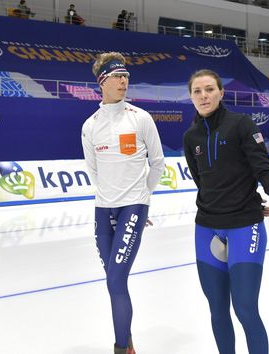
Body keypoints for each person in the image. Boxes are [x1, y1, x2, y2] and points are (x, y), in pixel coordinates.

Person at [183, 69, 269, 354]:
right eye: (197, 91)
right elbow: (203, 181)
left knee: (244, 308)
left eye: (209, 89)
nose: (203, 96)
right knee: (217, 310)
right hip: (207, 228)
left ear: (220, 92)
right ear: (191, 96)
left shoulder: (241, 124)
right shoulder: (190, 136)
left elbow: (261, 164)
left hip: (244, 227)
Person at [81, 52, 165, 354]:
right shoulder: (89, 126)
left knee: (116, 278)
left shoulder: (140, 118)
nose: (124, 81)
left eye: (126, 76)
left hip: (133, 207)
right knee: (113, 282)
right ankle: (128, 344)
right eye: (118, 76)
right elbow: (95, 171)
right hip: (103, 211)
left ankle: (120, 348)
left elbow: (157, 164)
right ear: (103, 81)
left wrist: (143, 201)